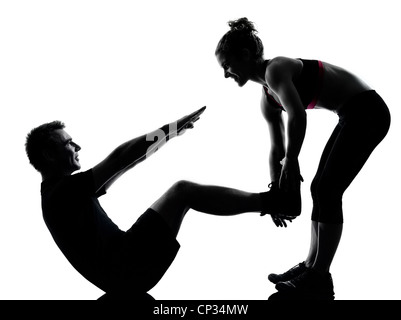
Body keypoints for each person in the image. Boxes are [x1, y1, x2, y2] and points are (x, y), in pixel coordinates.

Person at [25, 106, 292, 300]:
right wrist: (170, 130)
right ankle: (274, 201)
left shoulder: (61, 196)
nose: (78, 147)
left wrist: (168, 136)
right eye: (69, 143)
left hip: (124, 272)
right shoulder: (61, 193)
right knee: (182, 191)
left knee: (182, 193)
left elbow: (125, 164)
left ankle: (271, 203)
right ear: (49, 154)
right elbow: (120, 157)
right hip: (126, 264)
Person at [215, 18, 391, 300]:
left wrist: (293, 160)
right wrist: (277, 191)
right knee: (319, 189)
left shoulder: (276, 69)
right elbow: (276, 149)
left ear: (245, 55)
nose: (225, 73)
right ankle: (311, 266)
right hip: (350, 115)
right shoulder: (267, 98)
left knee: (328, 189)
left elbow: (298, 115)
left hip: (368, 111)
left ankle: (319, 275)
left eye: (227, 64)